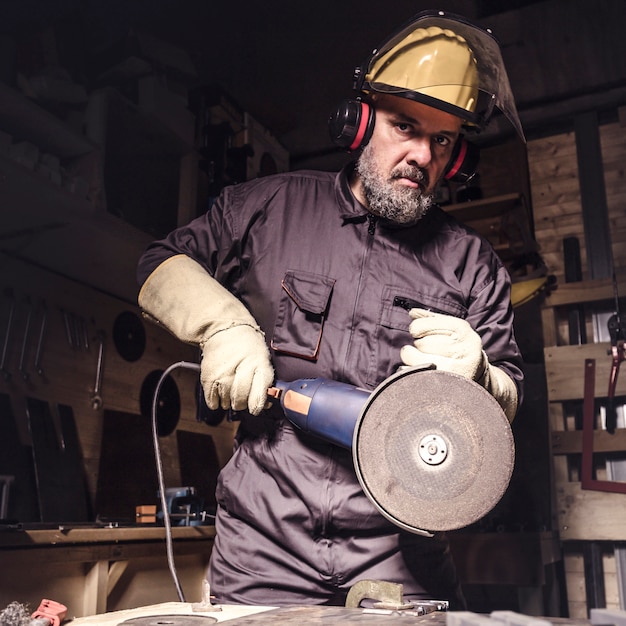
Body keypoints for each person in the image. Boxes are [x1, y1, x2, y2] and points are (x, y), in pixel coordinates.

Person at [137, 10, 524, 609]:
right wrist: (224, 325)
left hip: (401, 555)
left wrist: (482, 380)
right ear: (362, 121)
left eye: (441, 139)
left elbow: (508, 399)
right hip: (262, 545)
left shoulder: (471, 263)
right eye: (404, 126)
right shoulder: (268, 208)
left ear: (457, 157)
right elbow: (160, 263)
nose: (421, 154)